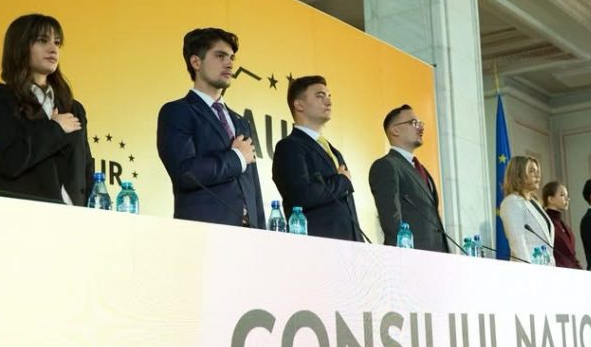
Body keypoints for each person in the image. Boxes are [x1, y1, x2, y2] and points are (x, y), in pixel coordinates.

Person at [156, 28, 264, 228]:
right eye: (220, 56)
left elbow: (254, 189)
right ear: (196, 62)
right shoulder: (177, 111)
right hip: (204, 233)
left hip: (250, 235)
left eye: (231, 58)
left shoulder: (241, 122)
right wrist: (237, 157)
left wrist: (263, 235)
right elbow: (186, 173)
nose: (229, 64)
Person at [0, 15, 93, 205]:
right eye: (42, 40)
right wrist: (55, 128)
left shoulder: (74, 108)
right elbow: (10, 162)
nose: (53, 49)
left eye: (57, 42)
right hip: (21, 214)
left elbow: (85, 169)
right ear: (20, 46)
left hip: (74, 216)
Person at [272, 75, 363, 241]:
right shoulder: (289, 146)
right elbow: (302, 195)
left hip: (348, 246)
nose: (328, 101)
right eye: (320, 96)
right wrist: (342, 181)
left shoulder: (334, 151)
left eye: (329, 96)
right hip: (315, 245)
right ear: (299, 105)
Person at [368, 104, 448, 251]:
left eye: (420, 123)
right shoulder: (386, 165)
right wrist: (403, 256)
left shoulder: (421, 169)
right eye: (413, 123)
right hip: (410, 256)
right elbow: (391, 220)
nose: (420, 127)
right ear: (395, 130)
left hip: (436, 256)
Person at [498, 156, 553, 264]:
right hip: (528, 269)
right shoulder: (512, 202)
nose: (538, 175)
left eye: (537, 171)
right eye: (532, 171)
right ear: (518, 176)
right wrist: (528, 269)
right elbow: (517, 242)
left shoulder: (535, 203)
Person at [542, 181, 582, 269]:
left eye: (567, 196)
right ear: (550, 199)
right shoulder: (545, 222)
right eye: (562, 195)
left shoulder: (563, 225)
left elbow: (571, 256)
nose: (567, 199)